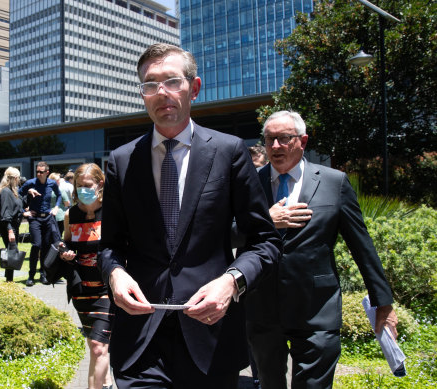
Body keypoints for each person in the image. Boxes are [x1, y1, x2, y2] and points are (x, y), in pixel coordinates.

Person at [98, 43, 281, 389]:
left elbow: (265, 241)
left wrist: (232, 282)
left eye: (172, 81)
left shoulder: (229, 152)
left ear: (194, 88)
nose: (161, 93)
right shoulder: (121, 161)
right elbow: (109, 246)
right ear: (142, 94)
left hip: (210, 336)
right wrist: (116, 275)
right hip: (141, 340)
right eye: (150, 85)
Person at [244, 110, 398, 389]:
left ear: (302, 141)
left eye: (284, 138)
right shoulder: (249, 182)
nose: (275, 146)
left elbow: (361, 245)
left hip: (317, 308)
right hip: (263, 308)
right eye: (269, 140)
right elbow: (225, 232)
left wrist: (383, 304)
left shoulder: (333, 182)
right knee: (269, 383)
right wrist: (268, 219)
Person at [60, 163, 113, 389]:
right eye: (79, 185)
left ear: (100, 184)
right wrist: (64, 252)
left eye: (87, 185)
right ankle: (106, 380)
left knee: (97, 347)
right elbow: (66, 241)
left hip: (107, 289)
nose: (83, 189)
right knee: (97, 343)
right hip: (81, 289)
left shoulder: (113, 211)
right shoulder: (70, 214)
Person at [19, 161, 62, 286]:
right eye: (37, 171)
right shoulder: (30, 183)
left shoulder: (52, 183)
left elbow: (59, 195)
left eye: (41, 172)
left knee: (46, 246)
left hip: (48, 218)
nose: (39, 174)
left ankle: (43, 274)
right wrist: (23, 212)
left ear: (47, 173)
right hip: (35, 219)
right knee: (36, 244)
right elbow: (17, 195)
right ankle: (31, 275)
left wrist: (56, 207)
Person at [0, 167, 28, 282]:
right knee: (12, 252)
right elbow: (6, 214)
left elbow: (18, 205)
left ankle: (8, 278)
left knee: (11, 251)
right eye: (18, 178)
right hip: (8, 226)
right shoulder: (6, 192)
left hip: (12, 225)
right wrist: (10, 231)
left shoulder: (12, 191)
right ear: (15, 178)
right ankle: (9, 280)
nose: (19, 180)